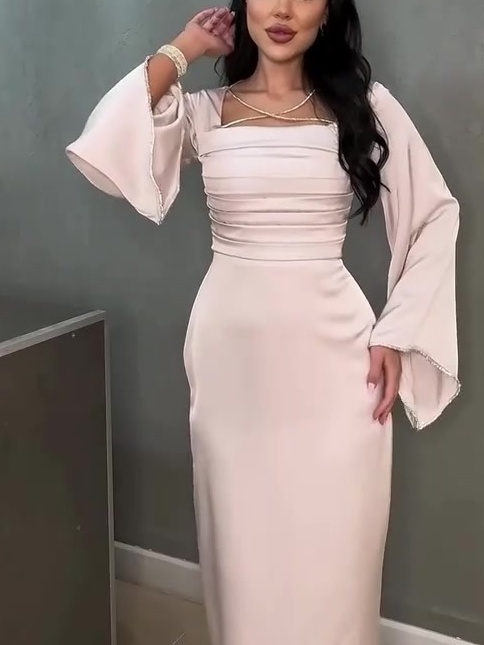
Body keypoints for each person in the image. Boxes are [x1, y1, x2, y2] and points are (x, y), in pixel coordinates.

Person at [66, 1, 460, 643]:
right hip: (232, 364)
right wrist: (183, 48)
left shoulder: (365, 107)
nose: (282, 9)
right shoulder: (204, 112)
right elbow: (107, 140)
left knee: (336, 554)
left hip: (337, 362)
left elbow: (436, 213)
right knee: (244, 554)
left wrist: (398, 330)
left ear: (328, 11)